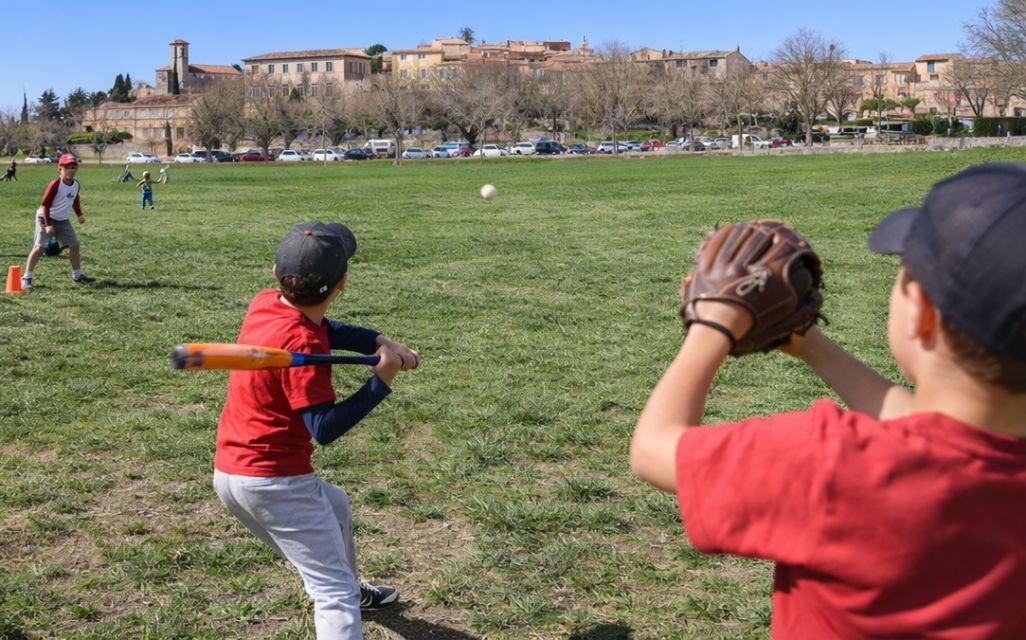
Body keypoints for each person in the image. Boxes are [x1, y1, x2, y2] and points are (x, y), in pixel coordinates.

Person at [630, 162, 1026, 639]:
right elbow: (932, 432)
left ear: (922, 315)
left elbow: (654, 449)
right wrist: (811, 345)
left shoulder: (834, 466)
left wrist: (711, 326)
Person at [213, 221, 420, 640]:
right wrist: (381, 382)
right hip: (277, 482)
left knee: (336, 505)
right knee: (333, 594)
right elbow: (323, 428)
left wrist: (379, 341)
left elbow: (331, 329)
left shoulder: (266, 303)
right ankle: (345, 591)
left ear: (276, 274)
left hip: (231, 473)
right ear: (342, 282)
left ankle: (351, 586)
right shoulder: (302, 344)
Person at [21, 153, 96, 290]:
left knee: (74, 244)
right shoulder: (55, 185)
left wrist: (79, 214)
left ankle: (78, 275)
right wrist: (48, 225)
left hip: (62, 220)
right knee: (40, 247)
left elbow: (74, 199)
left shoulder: (76, 184)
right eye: (67, 167)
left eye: (74, 167)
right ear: (59, 169)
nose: (71, 170)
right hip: (45, 217)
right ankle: (26, 277)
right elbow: (45, 206)